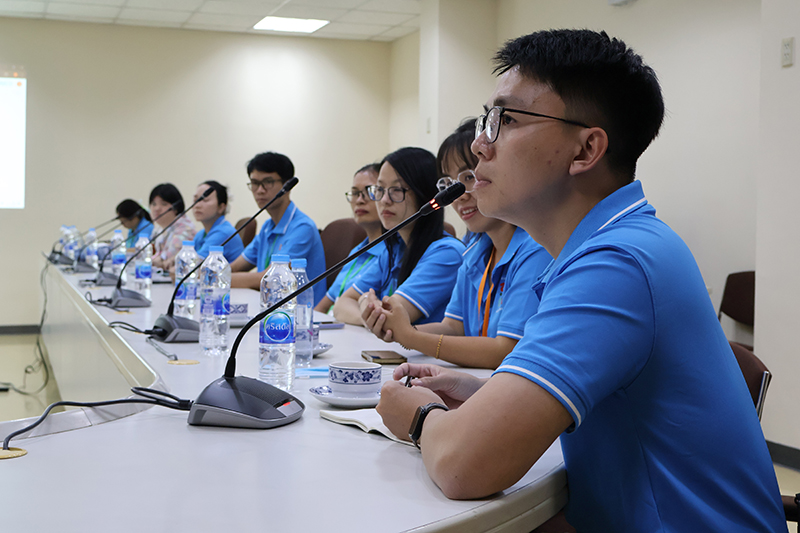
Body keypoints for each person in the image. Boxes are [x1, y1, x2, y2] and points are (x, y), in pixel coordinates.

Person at [376, 29, 785, 532]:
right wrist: (481, 392)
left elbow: (465, 465)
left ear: (586, 150)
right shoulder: (598, 248)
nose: (480, 144)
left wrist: (418, 419)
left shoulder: (617, 263)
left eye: (505, 120)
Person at [368, 121, 551, 369]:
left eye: (469, 177)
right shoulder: (474, 252)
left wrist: (412, 337)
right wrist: (399, 329)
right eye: (448, 184)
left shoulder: (535, 248)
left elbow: (505, 350)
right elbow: (454, 327)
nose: (459, 194)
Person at [333, 147, 465, 326]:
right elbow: (341, 304)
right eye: (379, 189)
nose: (384, 200)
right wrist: (368, 317)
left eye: (397, 190)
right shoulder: (394, 251)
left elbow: (391, 320)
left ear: (425, 194)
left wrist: (365, 302)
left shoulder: (447, 253)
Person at [230, 152, 326, 305]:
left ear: (287, 185)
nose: (259, 190)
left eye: (267, 182)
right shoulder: (267, 228)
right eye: (254, 183)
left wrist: (218, 276)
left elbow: (270, 278)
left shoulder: (303, 227)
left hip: (301, 316)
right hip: (270, 309)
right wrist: (210, 270)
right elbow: (235, 267)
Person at [314, 163, 385, 313]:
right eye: (355, 193)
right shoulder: (356, 251)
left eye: (369, 191)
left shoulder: (393, 255)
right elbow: (323, 306)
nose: (359, 200)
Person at [191, 180, 243, 263]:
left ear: (221, 207)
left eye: (205, 200)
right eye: (196, 200)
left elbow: (194, 264)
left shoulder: (224, 233)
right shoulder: (201, 234)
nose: (197, 205)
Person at [149, 183, 197, 271]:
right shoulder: (160, 228)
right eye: (153, 204)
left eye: (163, 204)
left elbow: (167, 260)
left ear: (176, 207)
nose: (156, 208)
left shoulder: (185, 229)